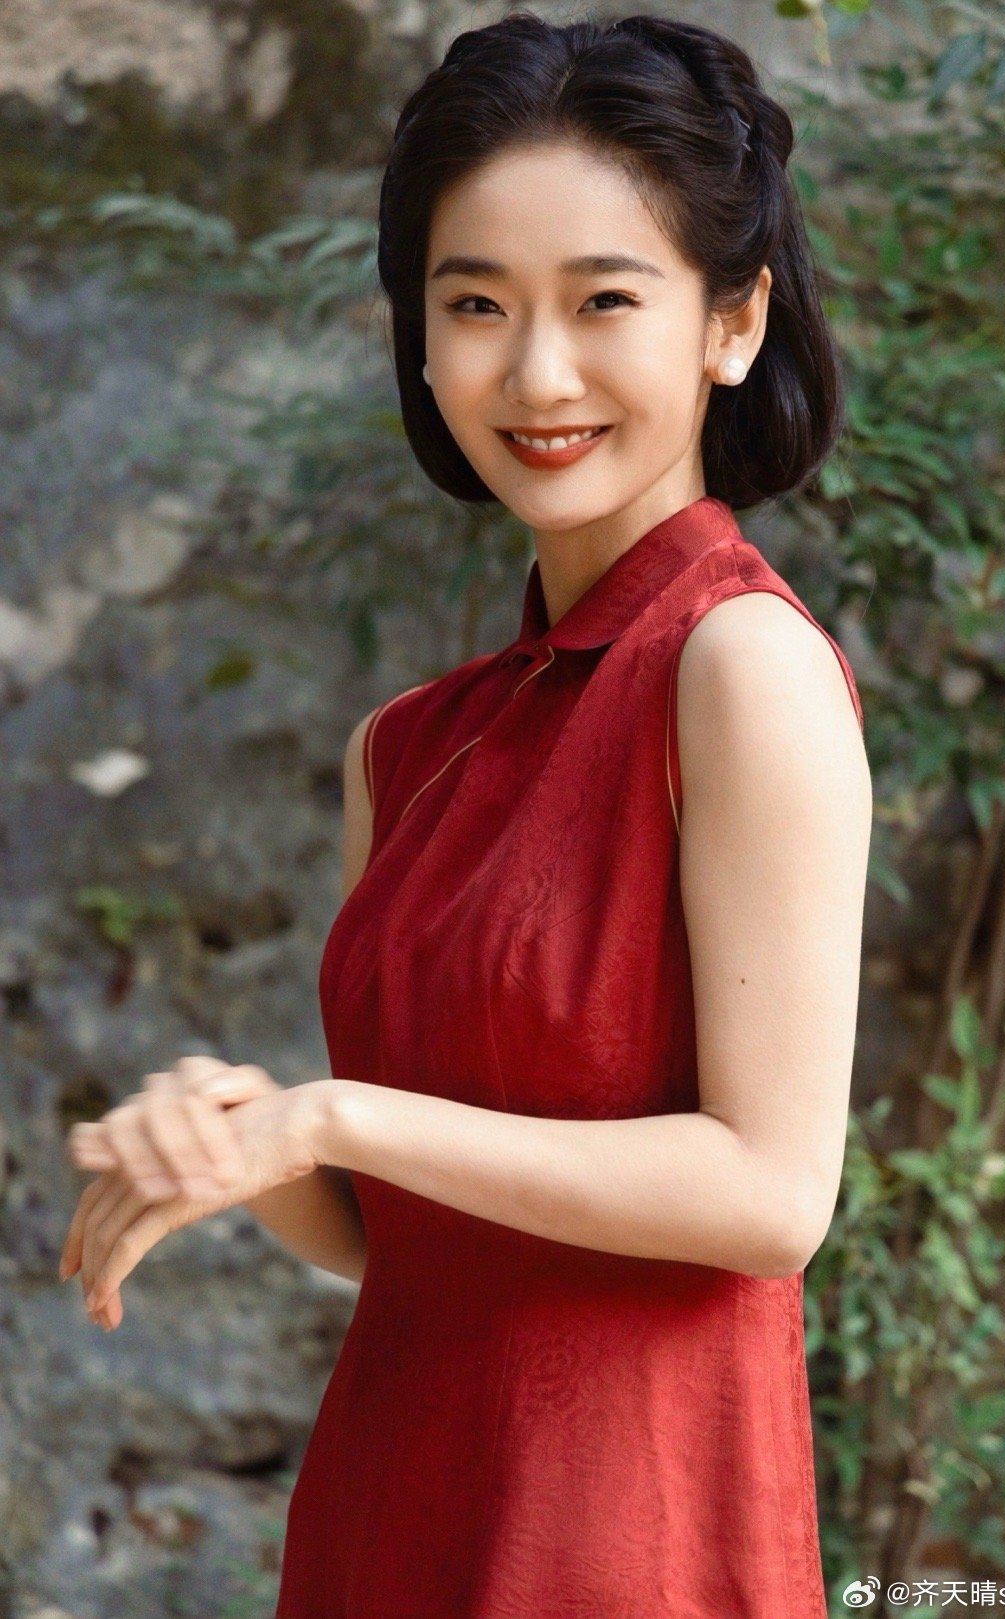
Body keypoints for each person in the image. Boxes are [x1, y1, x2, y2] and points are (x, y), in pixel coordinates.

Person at [60, 11, 873, 1616]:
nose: (537, 372)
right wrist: (247, 1136)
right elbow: (402, 1235)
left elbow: (773, 1198)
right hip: (392, 1513)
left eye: (604, 301)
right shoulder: (407, 748)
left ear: (732, 323)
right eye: (476, 304)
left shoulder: (742, 666)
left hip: (626, 1541)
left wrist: (332, 1117)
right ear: (421, 341)